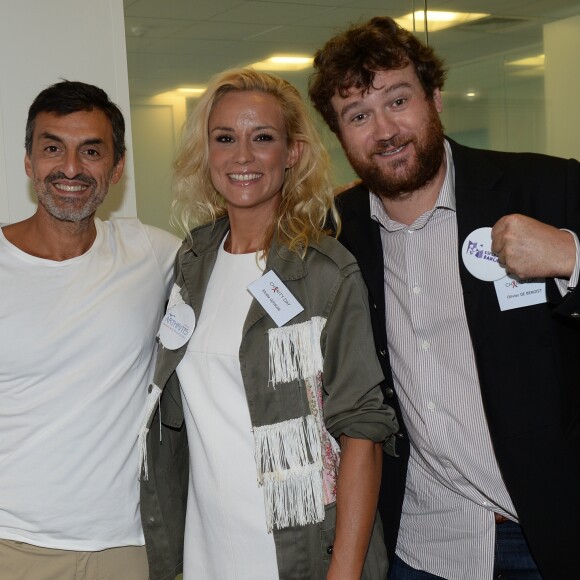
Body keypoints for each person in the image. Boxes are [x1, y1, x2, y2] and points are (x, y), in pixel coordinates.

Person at [308, 16, 580, 580]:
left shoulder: (545, 189)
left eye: (397, 100)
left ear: (434, 98)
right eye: (358, 115)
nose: (384, 130)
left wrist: (572, 255)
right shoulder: (340, 234)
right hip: (422, 542)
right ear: (340, 136)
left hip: (548, 535)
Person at [139, 67, 400, 580]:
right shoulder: (193, 261)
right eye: (224, 139)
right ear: (206, 152)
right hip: (206, 550)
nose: (242, 157)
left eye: (262, 138)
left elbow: (362, 436)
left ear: (293, 153)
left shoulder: (326, 272)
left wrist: (343, 574)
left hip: (299, 552)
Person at [0, 81, 180, 580]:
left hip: (128, 548)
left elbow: (244, 255)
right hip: (11, 545)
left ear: (117, 168)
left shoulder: (152, 253)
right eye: (52, 148)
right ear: (29, 162)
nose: (72, 168)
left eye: (92, 151)